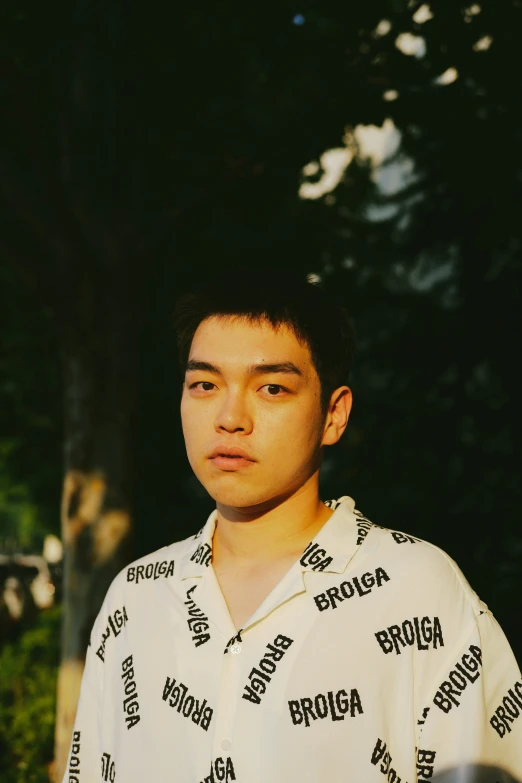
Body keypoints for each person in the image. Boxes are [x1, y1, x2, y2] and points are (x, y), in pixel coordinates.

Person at [63, 271, 522, 783]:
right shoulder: (136, 597)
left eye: (272, 388)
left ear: (333, 414)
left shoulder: (416, 590)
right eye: (205, 385)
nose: (230, 417)